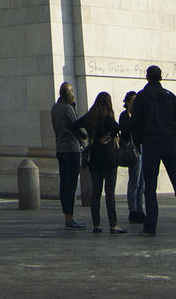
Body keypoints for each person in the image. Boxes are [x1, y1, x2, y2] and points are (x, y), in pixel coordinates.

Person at [131, 65, 176, 237]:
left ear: (147, 77)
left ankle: (150, 226)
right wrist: (174, 137)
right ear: (161, 77)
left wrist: (139, 143)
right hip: (169, 145)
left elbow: (136, 125)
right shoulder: (170, 96)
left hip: (151, 145)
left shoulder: (142, 97)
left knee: (150, 188)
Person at [77, 92, 125, 233]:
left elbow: (74, 125)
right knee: (109, 193)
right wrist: (108, 137)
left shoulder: (90, 117)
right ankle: (113, 224)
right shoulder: (107, 118)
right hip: (109, 158)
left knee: (96, 193)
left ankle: (96, 224)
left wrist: (86, 137)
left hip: (95, 158)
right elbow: (117, 128)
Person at [51, 82, 86, 229]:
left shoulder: (54, 108)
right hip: (71, 149)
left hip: (60, 148)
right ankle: (70, 218)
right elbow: (75, 126)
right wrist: (84, 139)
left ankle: (67, 216)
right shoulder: (67, 108)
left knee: (64, 183)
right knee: (71, 185)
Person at [119, 91, 144, 225]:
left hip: (141, 149)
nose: (134, 103)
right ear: (128, 101)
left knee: (142, 183)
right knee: (134, 182)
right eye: (133, 100)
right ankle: (132, 210)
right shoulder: (124, 116)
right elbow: (125, 131)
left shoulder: (138, 115)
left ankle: (140, 209)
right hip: (132, 152)